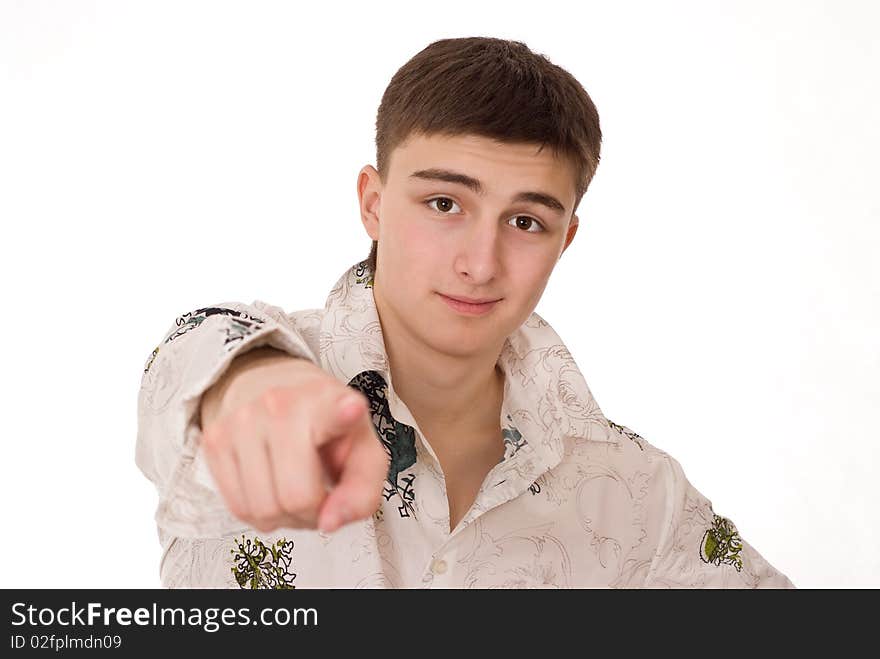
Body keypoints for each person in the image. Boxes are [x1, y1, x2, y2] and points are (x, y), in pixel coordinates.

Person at [136, 36, 795, 588]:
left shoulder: (635, 487)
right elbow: (200, 354)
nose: (481, 263)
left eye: (526, 221)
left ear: (564, 240)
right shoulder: (240, 357)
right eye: (445, 204)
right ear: (372, 201)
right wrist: (255, 383)